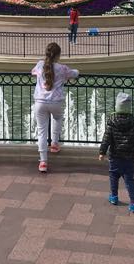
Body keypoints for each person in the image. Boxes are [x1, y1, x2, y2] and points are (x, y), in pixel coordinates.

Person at [30, 42, 79, 173]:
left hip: (40, 101)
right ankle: (54, 144)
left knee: (41, 132)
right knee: (57, 118)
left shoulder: (40, 64)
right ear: (58, 55)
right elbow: (74, 73)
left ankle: (43, 162)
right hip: (56, 101)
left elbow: (33, 72)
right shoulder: (62, 68)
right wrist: (76, 72)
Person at [98, 92, 134, 214]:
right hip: (129, 157)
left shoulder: (112, 122)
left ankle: (114, 197)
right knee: (129, 179)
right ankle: (133, 203)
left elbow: (106, 138)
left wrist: (102, 152)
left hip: (115, 155)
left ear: (117, 106)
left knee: (113, 176)